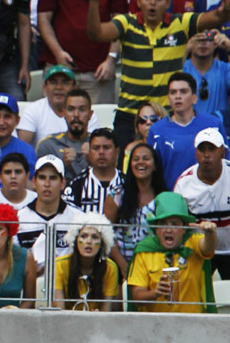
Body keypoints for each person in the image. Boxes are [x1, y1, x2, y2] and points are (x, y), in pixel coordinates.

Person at [87, 0, 230, 149]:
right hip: (130, 115)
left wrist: (226, 10)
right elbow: (96, 35)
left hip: (165, 115)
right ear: (139, 1)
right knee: (124, 168)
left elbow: (215, 18)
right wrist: (94, 1)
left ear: (168, 2)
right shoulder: (126, 23)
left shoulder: (181, 23)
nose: (152, 2)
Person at [38, 0, 126, 104]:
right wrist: (58, 53)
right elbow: (43, 19)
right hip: (60, 70)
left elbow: (121, 23)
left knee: (100, 125)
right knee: (54, 125)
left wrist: (111, 59)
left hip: (99, 71)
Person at [128, 191, 218, 313]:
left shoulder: (192, 242)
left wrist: (210, 232)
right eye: (163, 224)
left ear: (184, 228)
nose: (169, 230)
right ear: (156, 229)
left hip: (193, 323)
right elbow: (137, 296)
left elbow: (208, 248)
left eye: (175, 224)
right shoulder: (144, 251)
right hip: (156, 325)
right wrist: (155, 293)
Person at [148, 73, 227, 188]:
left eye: (183, 91)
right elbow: (152, 171)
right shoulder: (156, 131)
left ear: (194, 98)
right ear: (168, 99)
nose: (177, 96)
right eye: (173, 92)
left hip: (211, 197)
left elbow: (226, 161)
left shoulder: (214, 125)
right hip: (172, 198)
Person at [103, 142, 166, 277]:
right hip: (120, 268)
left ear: (155, 165)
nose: (140, 162)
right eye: (136, 159)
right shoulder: (117, 195)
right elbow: (106, 232)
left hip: (155, 268)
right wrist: (123, 265)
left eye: (146, 158)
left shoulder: (164, 197)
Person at [174, 127, 230, 277]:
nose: (206, 155)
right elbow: (178, 222)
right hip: (201, 250)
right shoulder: (183, 184)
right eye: (201, 149)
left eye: (211, 149)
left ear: (222, 152)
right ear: (195, 153)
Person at [17, 155, 82, 272]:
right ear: (33, 182)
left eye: (53, 178)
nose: (47, 184)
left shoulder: (78, 218)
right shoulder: (19, 218)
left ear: (62, 183)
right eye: (42, 177)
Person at [19, 66, 100, 148]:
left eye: (65, 82)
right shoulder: (33, 110)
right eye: (53, 82)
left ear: (74, 87)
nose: (59, 87)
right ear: (45, 88)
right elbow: (22, 148)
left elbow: (94, 146)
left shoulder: (88, 114)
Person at [53, 212, 120, 310]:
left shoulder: (110, 268)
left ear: (103, 242)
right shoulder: (59, 265)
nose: (88, 241)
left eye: (94, 237)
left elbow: (106, 312)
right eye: (83, 236)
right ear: (75, 240)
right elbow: (59, 311)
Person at [35, 87, 94, 180]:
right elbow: (41, 182)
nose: (76, 115)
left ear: (90, 114)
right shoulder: (49, 144)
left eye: (82, 110)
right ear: (63, 113)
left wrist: (94, 161)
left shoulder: (99, 145)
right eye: (71, 109)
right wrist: (62, 165)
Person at [62, 127, 122, 214]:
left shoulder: (126, 184)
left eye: (106, 147)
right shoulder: (76, 184)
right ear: (89, 152)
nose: (101, 152)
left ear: (117, 152)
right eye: (96, 148)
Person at [184, 30, 230, 136]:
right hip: (188, 130)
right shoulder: (181, 66)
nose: (202, 43)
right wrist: (185, 51)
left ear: (215, 43)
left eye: (208, 39)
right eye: (198, 39)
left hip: (219, 130)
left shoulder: (224, 68)